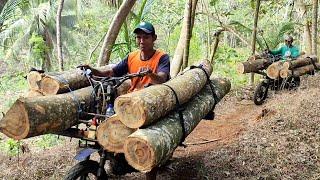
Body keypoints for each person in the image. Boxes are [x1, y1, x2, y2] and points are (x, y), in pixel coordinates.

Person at [80, 21, 170, 92]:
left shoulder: (162, 57)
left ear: (154, 38)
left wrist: (150, 73)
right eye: (138, 37)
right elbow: (111, 73)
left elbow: (161, 80)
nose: (141, 41)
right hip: (131, 99)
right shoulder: (131, 57)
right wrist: (92, 70)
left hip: (150, 99)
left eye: (146, 37)